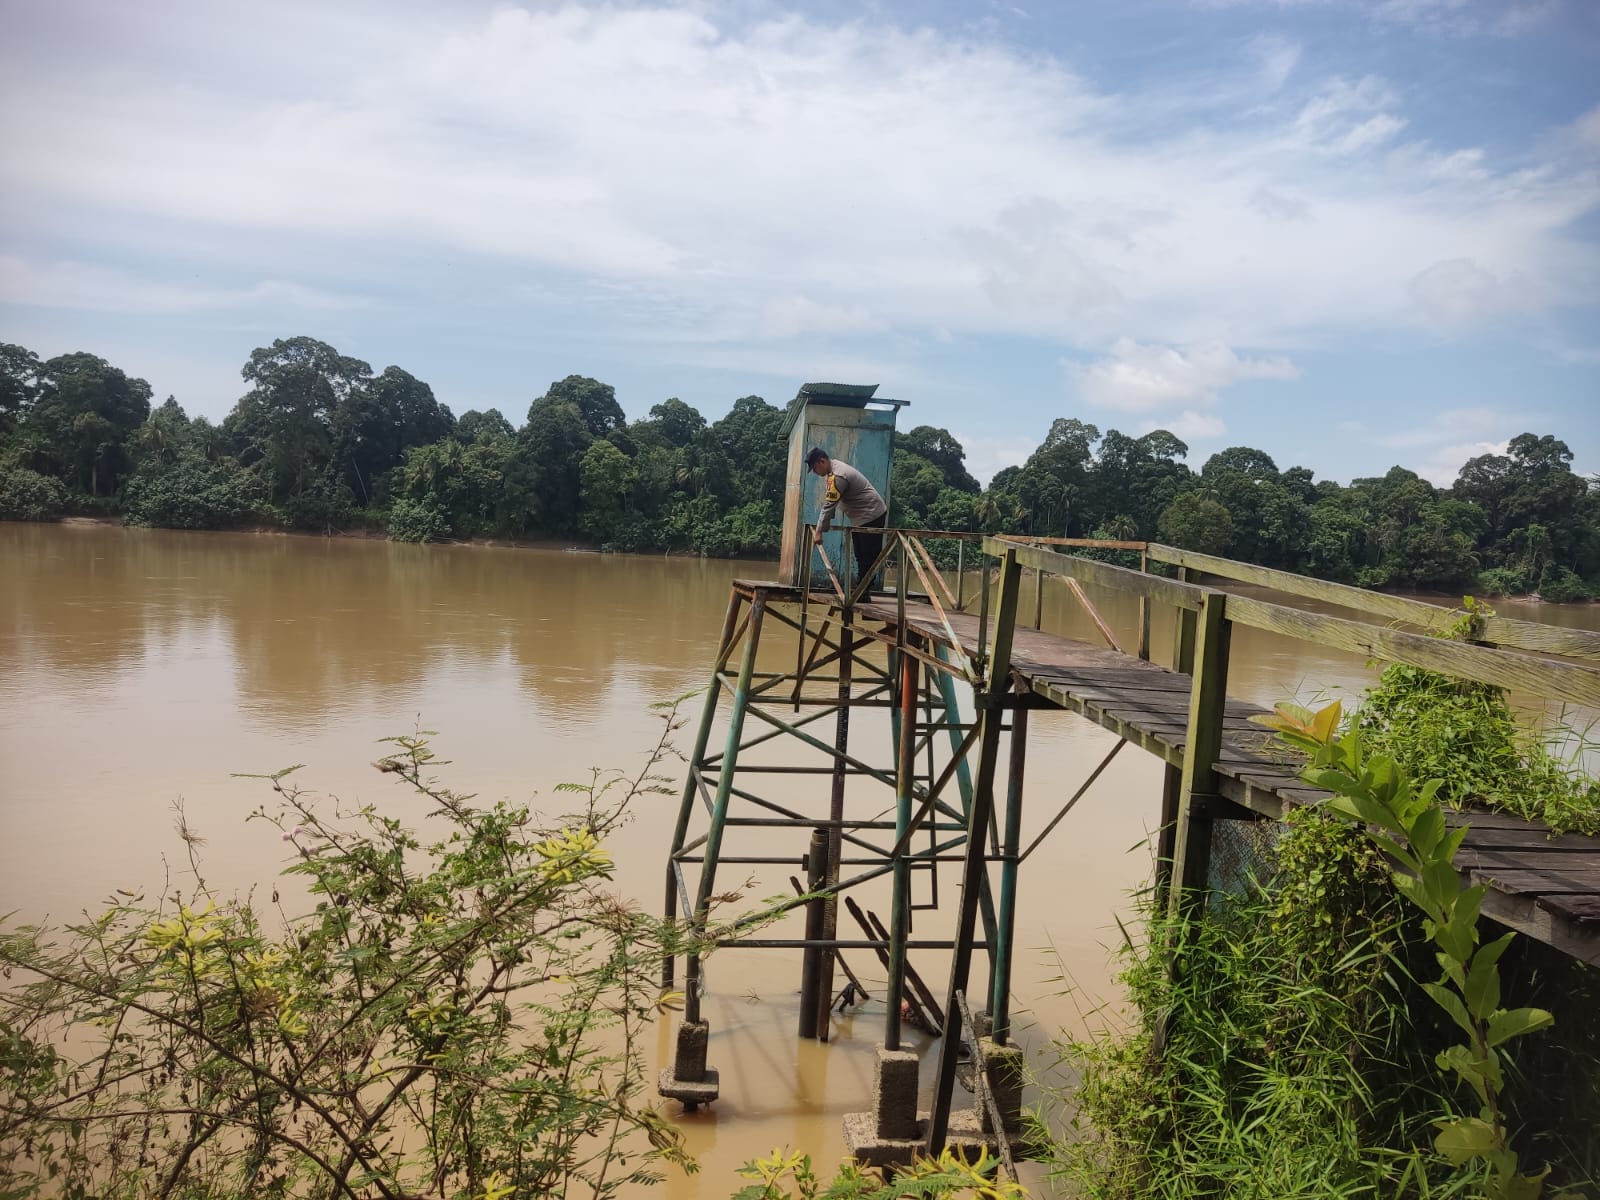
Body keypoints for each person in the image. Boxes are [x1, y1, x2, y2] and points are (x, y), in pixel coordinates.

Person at [806, 447, 887, 586]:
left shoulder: (838, 476)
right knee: (860, 554)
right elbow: (831, 503)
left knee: (868, 555)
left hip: (872, 513)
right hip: (861, 517)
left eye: (814, 468)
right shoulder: (833, 470)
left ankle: (862, 591)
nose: (814, 472)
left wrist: (819, 531)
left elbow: (829, 504)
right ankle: (861, 590)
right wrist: (823, 527)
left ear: (822, 461)